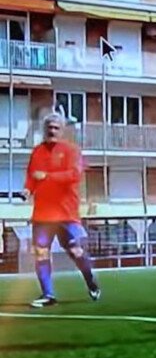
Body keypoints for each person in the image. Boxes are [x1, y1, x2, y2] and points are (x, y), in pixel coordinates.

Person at [24, 113, 100, 308]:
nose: (52, 131)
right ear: (44, 129)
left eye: (56, 128)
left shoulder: (71, 150)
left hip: (66, 213)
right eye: (49, 127)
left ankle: (91, 281)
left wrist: (47, 177)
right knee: (41, 252)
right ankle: (48, 295)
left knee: (75, 250)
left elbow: (74, 175)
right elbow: (32, 177)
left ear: (62, 130)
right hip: (42, 215)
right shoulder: (37, 152)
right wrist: (27, 190)